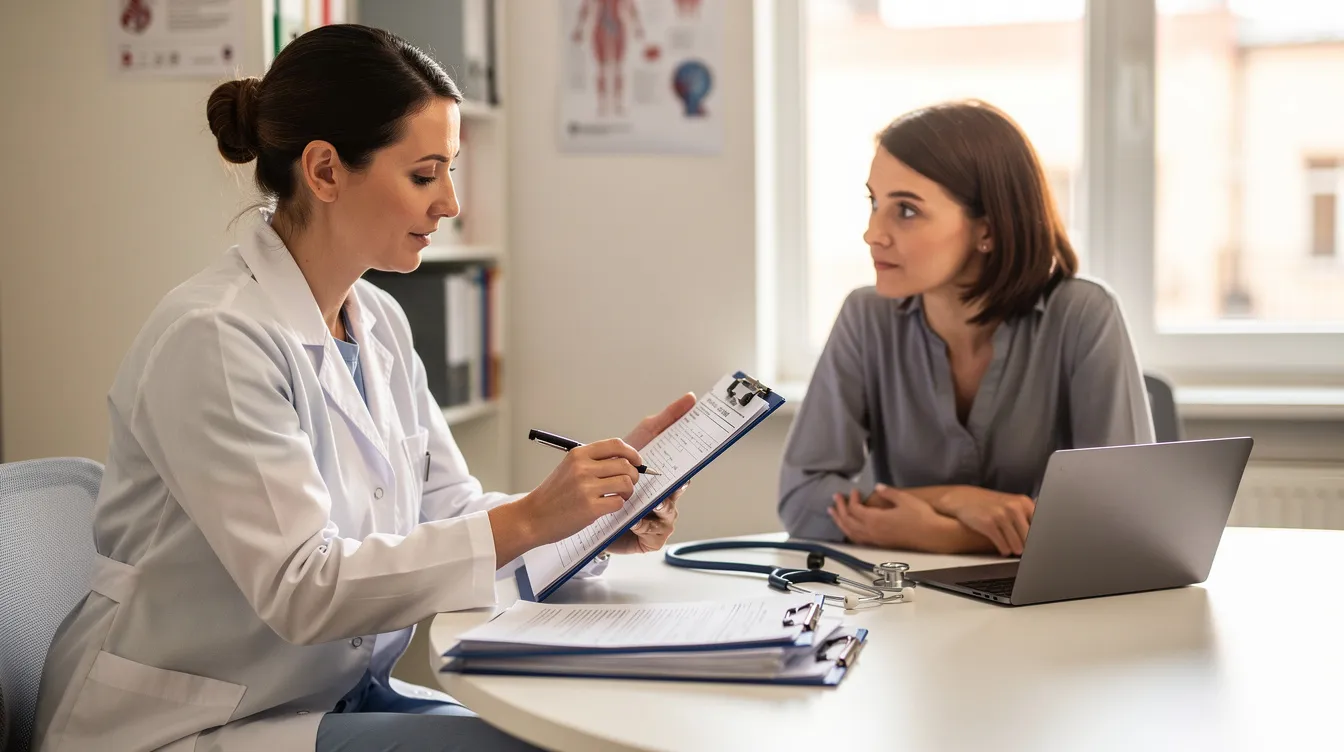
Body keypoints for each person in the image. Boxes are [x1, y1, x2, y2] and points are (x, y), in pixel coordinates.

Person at [32, 24, 693, 752]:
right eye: (425, 173)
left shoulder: (376, 319)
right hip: (193, 720)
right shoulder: (215, 337)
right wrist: (536, 516)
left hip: (325, 696)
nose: (450, 203)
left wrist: (593, 515)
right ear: (323, 171)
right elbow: (303, 587)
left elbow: (451, 512)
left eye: (452, 170)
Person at [778, 100, 1154, 558]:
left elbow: (1125, 517)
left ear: (988, 231)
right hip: (905, 613)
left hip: (1048, 610)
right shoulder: (865, 317)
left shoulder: (1083, 315)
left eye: (907, 211)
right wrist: (955, 499)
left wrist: (943, 534)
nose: (872, 233)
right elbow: (801, 500)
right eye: (874, 203)